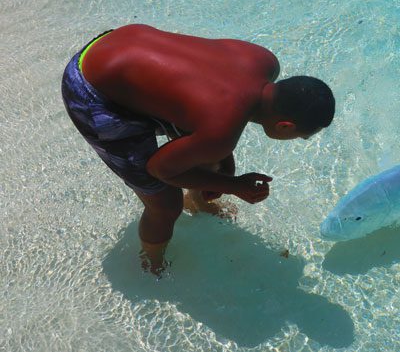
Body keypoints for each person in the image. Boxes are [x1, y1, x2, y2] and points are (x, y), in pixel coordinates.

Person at [61, 24, 335, 274]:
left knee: (209, 156)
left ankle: (199, 201)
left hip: (113, 43)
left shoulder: (263, 60)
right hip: (91, 90)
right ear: (285, 126)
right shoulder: (220, 132)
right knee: (166, 205)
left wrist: (225, 174)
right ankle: (151, 265)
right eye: (302, 137)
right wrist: (234, 185)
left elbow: (214, 109)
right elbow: (159, 169)